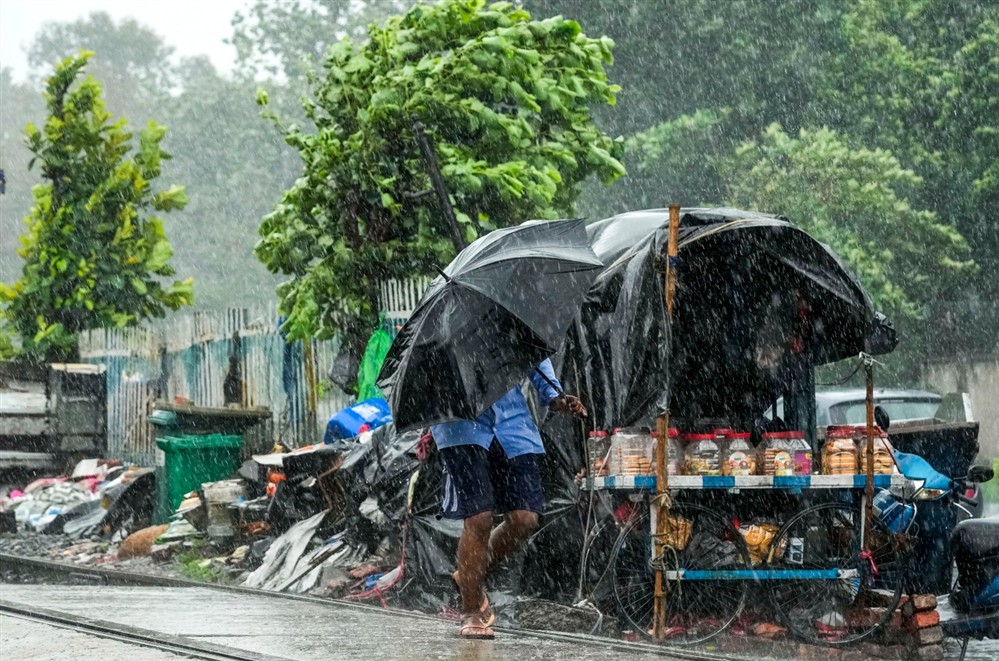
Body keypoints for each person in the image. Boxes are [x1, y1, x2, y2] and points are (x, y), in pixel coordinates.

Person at [431, 358, 586, 639]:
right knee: (479, 517)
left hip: (512, 421)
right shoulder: (443, 323)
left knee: (525, 518)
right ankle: (470, 611)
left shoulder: (499, 318)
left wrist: (554, 395)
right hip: (460, 424)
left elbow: (531, 350)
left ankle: (467, 577)